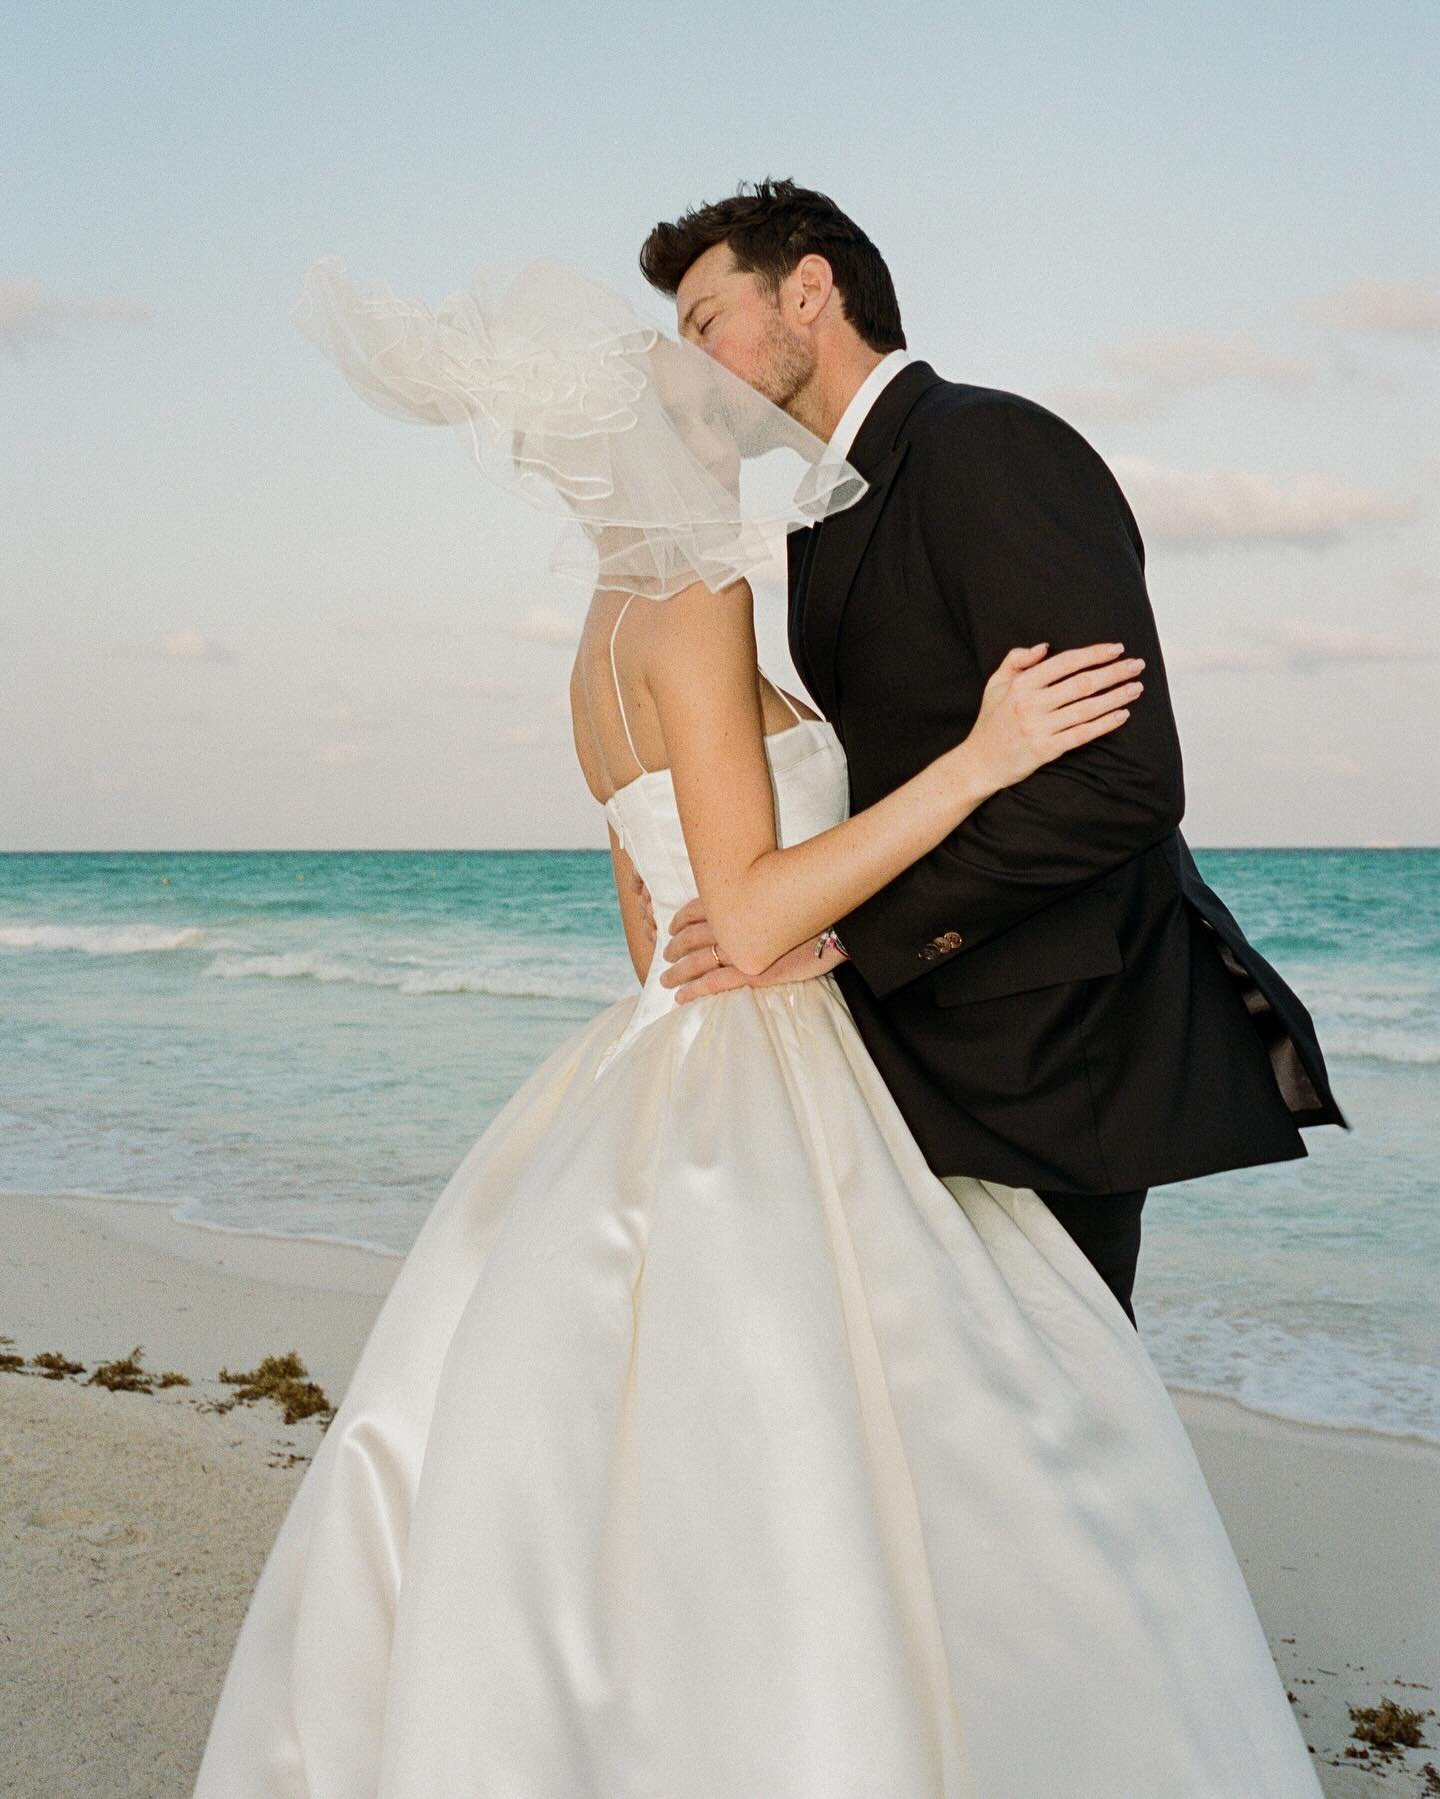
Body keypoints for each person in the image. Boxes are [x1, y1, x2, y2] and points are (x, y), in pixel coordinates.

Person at [191, 255, 1323, 1795]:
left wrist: (742, 935)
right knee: (933, 1421)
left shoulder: (593, 649)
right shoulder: (704, 600)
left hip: (656, 1047)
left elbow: (659, 932)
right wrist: (981, 758)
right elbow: (757, 899)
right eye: (696, 406)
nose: (727, 421)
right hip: (769, 1058)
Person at [642, 180, 1348, 1333]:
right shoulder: (820, 524)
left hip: (1057, 1047)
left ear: (809, 289)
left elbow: (1121, 778)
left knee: (1060, 1422)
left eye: (707, 319)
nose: (693, 361)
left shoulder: (989, 444)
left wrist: (840, 931)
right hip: (919, 1032)